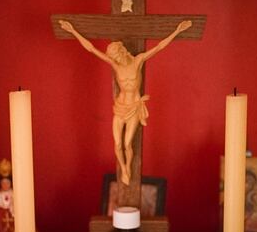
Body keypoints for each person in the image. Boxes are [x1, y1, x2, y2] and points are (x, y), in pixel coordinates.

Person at [58, 19, 192, 185]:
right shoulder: (116, 66)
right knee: (117, 143)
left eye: (115, 56)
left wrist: (177, 31)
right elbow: (92, 49)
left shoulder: (138, 61)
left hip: (134, 108)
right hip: (120, 107)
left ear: (122, 52)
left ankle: (128, 166)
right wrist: (73, 31)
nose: (115, 60)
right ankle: (123, 168)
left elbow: (159, 47)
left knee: (128, 143)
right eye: (113, 58)